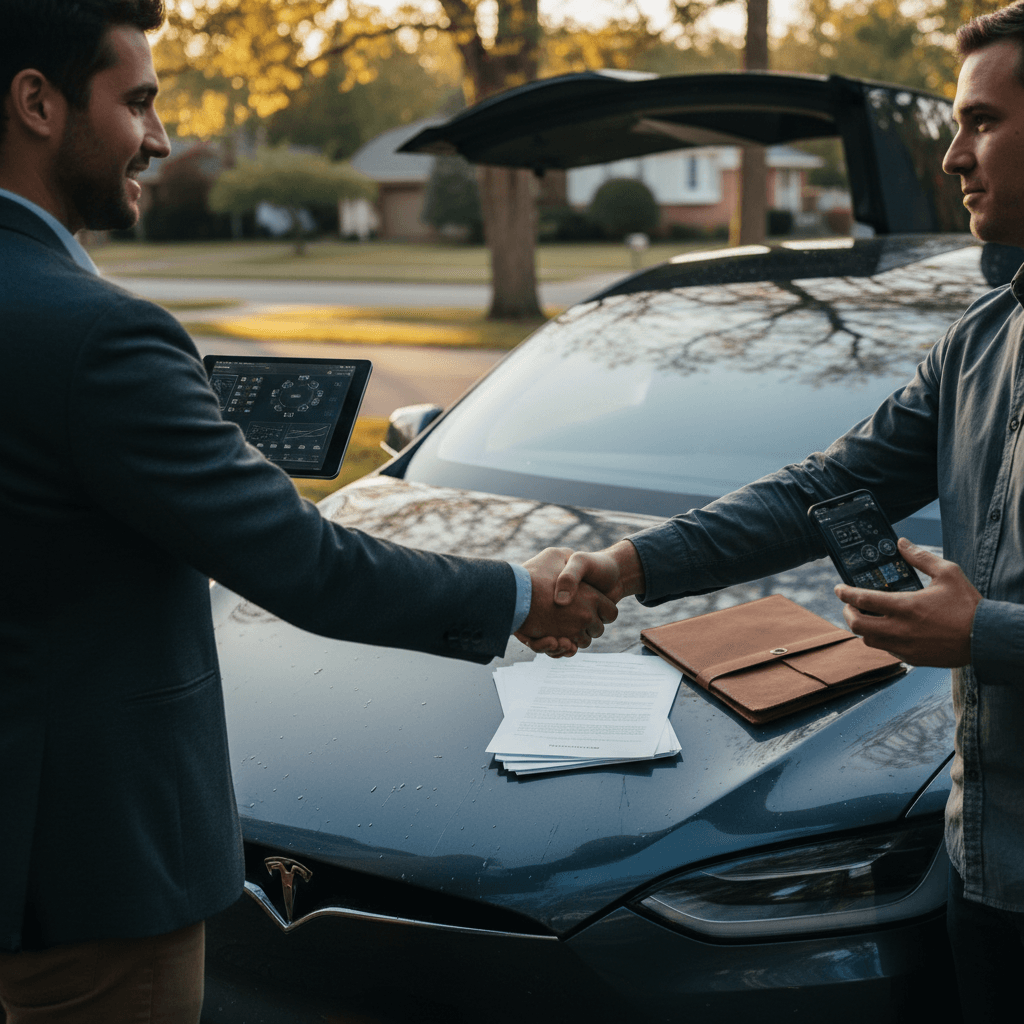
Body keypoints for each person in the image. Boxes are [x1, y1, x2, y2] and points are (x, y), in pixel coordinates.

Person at [0, 2, 614, 1021]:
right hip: (93, 876)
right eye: (138, 102)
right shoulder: (100, 336)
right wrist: (519, 594)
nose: (160, 138)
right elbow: (304, 563)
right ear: (36, 102)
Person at [530, 5, 1024, 1020]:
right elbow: (821, 490)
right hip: (986, 871)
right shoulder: (980, 341)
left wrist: (982, 634)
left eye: (981, 122)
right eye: (955, 125)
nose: (952, 156)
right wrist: (626, 566)